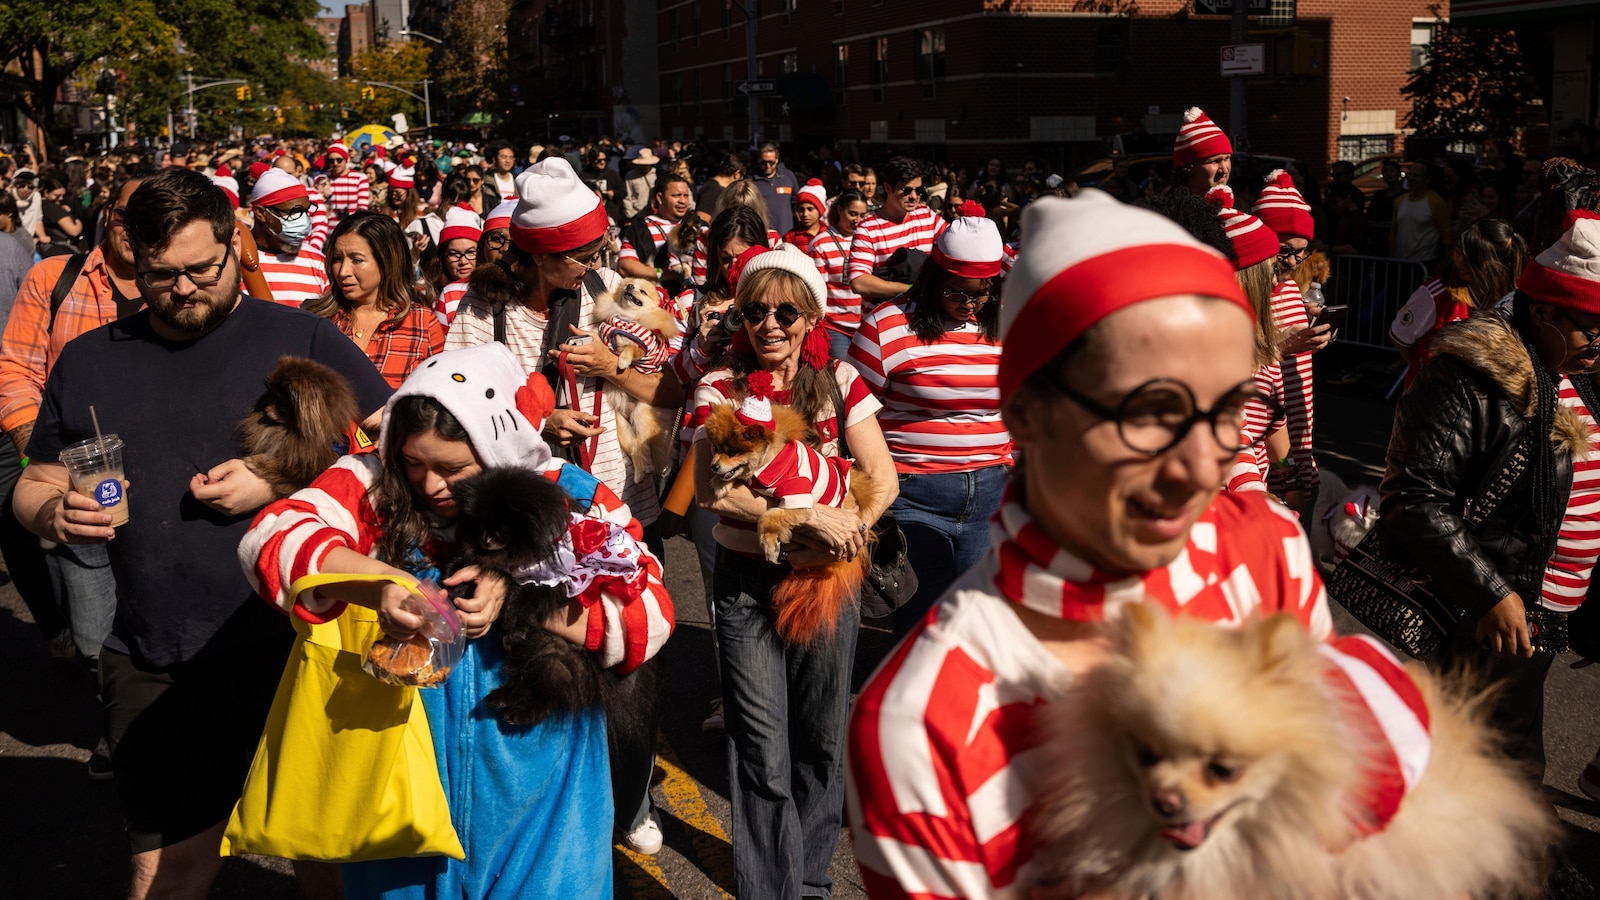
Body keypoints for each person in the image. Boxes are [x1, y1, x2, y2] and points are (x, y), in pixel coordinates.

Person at [845, 189, 1332, 898]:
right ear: (1028, 412)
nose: (1201, 466)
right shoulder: (922, 724)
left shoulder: (1269, 551)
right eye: (1151, 411)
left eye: (1226, 409)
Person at [12, 165, 391, 899]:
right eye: (161, 276)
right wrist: (54, 515)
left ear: (233, 243)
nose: (183, 289)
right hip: (151, 654)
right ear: (131, 261)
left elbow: (401, 450)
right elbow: (36, 481)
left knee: (326, 857)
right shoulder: (89, 360)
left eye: (201, 269)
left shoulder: (302, 335)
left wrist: (279, 478)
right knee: (166, 871)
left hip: (293, 645)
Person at [241, 342, 673, 899]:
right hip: (401, 787)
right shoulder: (373, 482)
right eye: (413, 462)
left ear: (496, 449)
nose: (428, 485)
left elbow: (651, 619)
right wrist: (378, 585)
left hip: (540, 792)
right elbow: (267, 541)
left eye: (453, 469)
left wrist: (520, 585)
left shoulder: (570, 495)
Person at [445, 160, 682, 854]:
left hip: (620, 510)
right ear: (538, 253)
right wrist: (540, 428)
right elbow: (457, 411)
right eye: (580, 254)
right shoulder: (483, 312)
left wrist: (617, 372)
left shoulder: (613, 291)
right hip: (534, 523)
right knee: (547, 670)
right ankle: (559, 817)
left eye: (598, 248)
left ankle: (631, 797)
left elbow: (669, 385)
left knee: (635, 667)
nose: (594, 263)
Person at [689, 247, 897, 898]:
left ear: (812, 315)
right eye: (755, 310)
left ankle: (809, 884)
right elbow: (712, 492)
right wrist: (803, 513)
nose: (770, 323)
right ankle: (767, 890)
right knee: (760, 749)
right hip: (747, 583)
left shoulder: (840, 379)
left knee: (820, 742)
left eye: (786, 310)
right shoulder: (720, 387)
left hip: (826, 583)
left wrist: (847, 521)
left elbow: (883, 479)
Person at [1382, 211, 1600, 788]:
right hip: (1495, 616)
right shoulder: (1470, 374)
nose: (1599, 345)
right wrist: (1491, 593)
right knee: (1503, 778)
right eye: (1592, 329)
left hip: (1552, 612)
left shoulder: (1577, 370)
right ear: (1545, 312)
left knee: (1492, 765)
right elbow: (1414, 496)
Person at [0, 174, 146, 683]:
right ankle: (108, 724)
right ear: (110, 213)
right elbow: (16, 369)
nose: (135, 227)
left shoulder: (182, 286)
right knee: (93, 633)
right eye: (128, 214)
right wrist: (33, 450)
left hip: (162, 487)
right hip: (79, 481)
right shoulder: (53, 278)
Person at [848, 201, 1011, 639]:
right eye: (957, 291)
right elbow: (854, 415)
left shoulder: (1008, 322)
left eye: (983, 292)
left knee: (979, 626)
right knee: (922, 627)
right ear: (934, 278)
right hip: (913, 494)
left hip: (993, 494)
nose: (970, 304)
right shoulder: (886, 326)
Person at [307, 211, 445, 389]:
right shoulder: (317, 320)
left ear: (387, 261)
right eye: (337, 259)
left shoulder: (423, 324)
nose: (343, 272)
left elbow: (437, 396)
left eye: (356, 260)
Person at [1253, 170, 1328, 501]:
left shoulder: (1288, 288)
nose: (1295, 260)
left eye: (1302, 251)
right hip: (1261, 448)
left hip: (1295, 433)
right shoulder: (1249, 292)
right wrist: (1283, 468)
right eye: (1286, 251)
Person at [1391, 217, 1528, 386]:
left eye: (1474, 259)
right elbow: (1399, 336)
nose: (1461, 263)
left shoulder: (1513, 299)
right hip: (1431, 396)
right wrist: (1424, 367)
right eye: (1458, 251)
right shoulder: (1436, 294)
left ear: (1498, 264)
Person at [848, 157, 948, 303]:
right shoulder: (867, 228)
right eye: (906, 191)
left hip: (921, 318)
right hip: (883, 319)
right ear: (888, 188)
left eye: (919, 190)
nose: (914, 197)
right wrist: (912, 289)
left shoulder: (927, 216)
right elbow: (858, 281)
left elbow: (954, 243)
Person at [249, 168, 331, 308]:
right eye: (294, 212)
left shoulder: (318, 262)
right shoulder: (235, 259)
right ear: (261, 213)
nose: (304, 220)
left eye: (306, 211)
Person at [809, 188, 870, 360]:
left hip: (866, 325)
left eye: (862, 215)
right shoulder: (820, 244)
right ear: (839, 210)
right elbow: (817, 291)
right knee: (843, 375)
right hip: (835, 327)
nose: (857, 220)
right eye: (852, 214)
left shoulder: (869, 240)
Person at [617, 173, 695, 292]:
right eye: (676, 195)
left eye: (686, 196)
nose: (683, 201)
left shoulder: (697, 225)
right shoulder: (640, 228)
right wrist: (663, 274)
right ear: (660, 198)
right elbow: (625, 266)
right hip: (660, 301)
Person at [1391, 160, 1451, 266]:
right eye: (1410, 174)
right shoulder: (1399, 201)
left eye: (1416, 176)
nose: (1411, 179)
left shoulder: (1436, 202)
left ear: (1427, 179)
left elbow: (1446, 235)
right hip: (1400, 261)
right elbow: (1393, 232)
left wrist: (1444, 261)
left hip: (1426, 261)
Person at [434, 206, 483, 326]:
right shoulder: (429, 294)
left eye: (470, 252)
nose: (463, 261)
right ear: (443, 257)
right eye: (454, 254)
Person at [1174, 107, 1233, 196]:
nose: (1224, 170)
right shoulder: (1167, 208)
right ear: (1189, 167)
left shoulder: (1239, 207)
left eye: (1227, 158)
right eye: (1215, 161)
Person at [750, 142, 800, 236]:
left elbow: (796, 205)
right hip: (762, 235)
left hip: (787, 235)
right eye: (763, 162)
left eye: (771, 162)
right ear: (758, 160)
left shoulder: (788, 177)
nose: (767, 166)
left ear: (777, 160)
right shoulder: (751, 180)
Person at [325, 144, 370, 223]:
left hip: (352, 228)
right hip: (329, 230)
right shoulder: (323, 179)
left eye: (339, 160)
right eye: (331, 161)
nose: (335, 163)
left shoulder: (360, 178)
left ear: (346, 160)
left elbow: (362, 208)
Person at [696, 151, 744, 221]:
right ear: (736, 174)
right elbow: (702, 220)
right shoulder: (713, 191)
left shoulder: (714, 188)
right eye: (741, 178)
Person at [783, 179, 827, 255]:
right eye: (801, 210)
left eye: (810, 209)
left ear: (820, 211)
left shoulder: (829, 233)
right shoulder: (789, 237)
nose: (805, 214)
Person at [621, 145, 660, 224]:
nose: (645, 166)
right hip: (636, 214)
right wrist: (630, 214)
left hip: (654, 214)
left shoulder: (658, 174)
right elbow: (627, 196)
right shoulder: (631, 175)